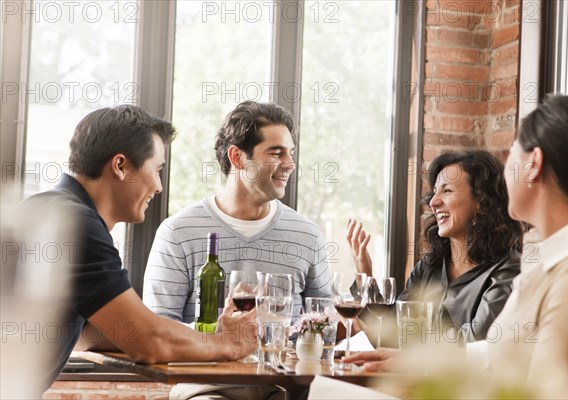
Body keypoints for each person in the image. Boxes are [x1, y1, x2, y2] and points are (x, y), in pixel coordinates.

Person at [11, 105, 257, 390]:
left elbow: (93, 334)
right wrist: (227, 344)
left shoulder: (45, 209)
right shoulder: (80, 226)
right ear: (120, 166)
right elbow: (149, 342)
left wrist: (199, 338)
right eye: (157, 169)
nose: (159, 186)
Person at [143, 101, 331, 322]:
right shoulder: (177, 233)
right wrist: (218, 336)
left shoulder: (308, 235)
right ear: (237, 157)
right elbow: (159, 327)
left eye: (290, 153)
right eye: (276, 153)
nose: (290, 164)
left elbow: (324, 323)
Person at [346, 150, 523, 352]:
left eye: (447, 191)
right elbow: (391, 335)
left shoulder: (509, 271)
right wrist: (365, 277)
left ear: (482, 201)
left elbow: (475, 342)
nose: (433, 202)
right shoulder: (428, 267)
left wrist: (412, 343)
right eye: (434, 192)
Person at [489, 95, 568, 385]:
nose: (505, 170)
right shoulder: (552, 254)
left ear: (533, 163)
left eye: (511, 154)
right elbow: (511, 350)